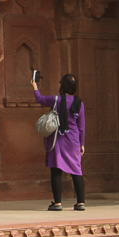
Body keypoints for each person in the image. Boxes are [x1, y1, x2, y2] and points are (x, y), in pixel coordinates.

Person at [32, 72, 86, 211]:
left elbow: (40, 98)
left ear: (62, 86)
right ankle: (80, 202)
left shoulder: (56, 100)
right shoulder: (79, 104)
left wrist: (34, 85)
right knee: (76, 171)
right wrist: (82, 144)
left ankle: (57, 203)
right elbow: (81, 127)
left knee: (56, 170)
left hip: (58, 139)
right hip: (73, 140)